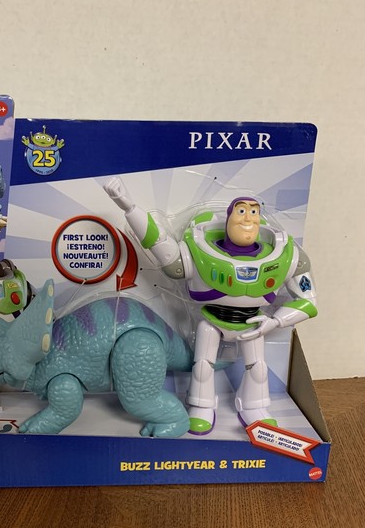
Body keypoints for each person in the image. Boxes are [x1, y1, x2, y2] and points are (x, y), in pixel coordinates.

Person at [104, 178, 318, 435]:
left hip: (254, 323)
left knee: (258, 369)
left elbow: (308, 301)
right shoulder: (199, 249)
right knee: (203, 366)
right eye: (241, 211)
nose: (247, 218)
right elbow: (165, 252)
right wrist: (129, 207)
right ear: (228, 218)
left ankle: (254, 407)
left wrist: (275, 321)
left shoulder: (288, 255)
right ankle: (201, 406)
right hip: (212, 321)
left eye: (253, 212)